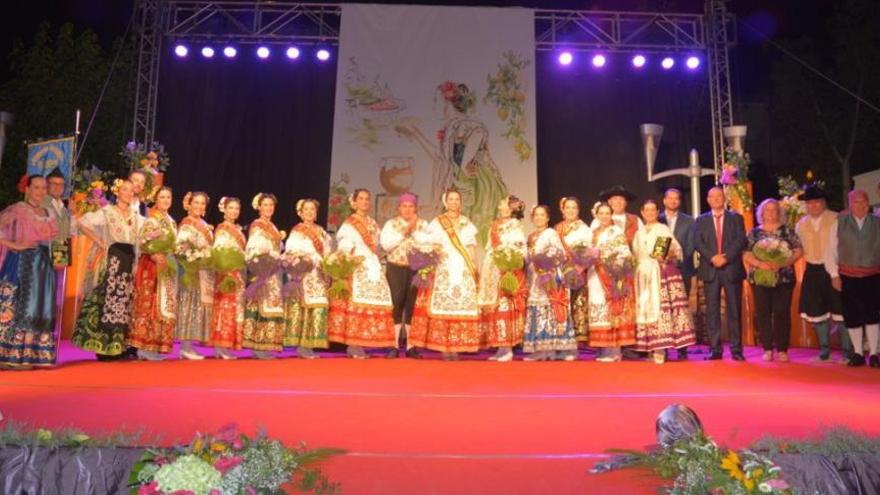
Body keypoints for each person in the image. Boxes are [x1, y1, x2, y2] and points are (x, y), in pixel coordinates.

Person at [395, 81, 508, 244]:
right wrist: (416, 134)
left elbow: (464, 161)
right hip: (460, 182)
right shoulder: (452, 127)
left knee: (474, 232)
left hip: (478, 186)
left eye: (437, 102)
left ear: (448, 103)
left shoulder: (471, 126)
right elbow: (442, 160)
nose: (435, 107)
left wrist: (464, 168)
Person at [72, 179, 143, 360]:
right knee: (107, 301)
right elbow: (82, 224)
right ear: (117, 192)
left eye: (131, 191)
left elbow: (147, 233)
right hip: (112, 259)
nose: (128, 193)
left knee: (122, 303)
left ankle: (117, 346)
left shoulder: (136, 217)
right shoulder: (107, 212)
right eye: (124, 190)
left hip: (128, 260)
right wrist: (99, 241)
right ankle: (103, 347)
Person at [410, 189, 481, 360]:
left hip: (462, 267)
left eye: (457, 199)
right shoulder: (437, 222)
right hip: (444, 266)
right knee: (443, 305)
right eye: (451, 199)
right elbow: (430, 243)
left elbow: (471, 247)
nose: (454, 202)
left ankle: (456, 347)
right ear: (445, 202)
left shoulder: (466, 222)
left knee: (459, 306)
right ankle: (444, 347)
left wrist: (473, 266)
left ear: (460, 202)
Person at [328, 189, 396, 358]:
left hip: (372, 263)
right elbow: (344, 244)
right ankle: (353, 344)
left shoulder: (373, 223)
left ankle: (363, 341)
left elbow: (379, 245)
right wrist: (344, 262)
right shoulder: (349, 223)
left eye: (367, 199)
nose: (365, 202)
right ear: (354, 202)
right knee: (356, 302)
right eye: (361, 199)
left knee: (375, 299)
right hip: (357, 264)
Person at [0, 175, 59, 369]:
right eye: (36, 187)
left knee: (39, 306)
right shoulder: (18, 209)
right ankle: (11, 353)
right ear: (27, 189)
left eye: (44, 188)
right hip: (21, 263)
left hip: (43, 266)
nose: (41, 191)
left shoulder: (49, 212)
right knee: (17, 305)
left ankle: (32, 353)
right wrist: (14, 244)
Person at [633, 200, 696, 364]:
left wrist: (666, 256)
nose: (649, 213)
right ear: (642, 212)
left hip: (659, 272)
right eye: (646, 210)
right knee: (645, 309)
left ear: (657, 212)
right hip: (642, 275)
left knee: (661, 309)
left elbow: (676, 249)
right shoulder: (639, 232)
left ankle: (661, 348)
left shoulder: (663, 229)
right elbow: (635, 254)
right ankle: (649, 347)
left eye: (653, 210)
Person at [825, 189, 880, 368]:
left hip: (873, 276)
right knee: (852, 315)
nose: (861, 205)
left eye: (864, 201)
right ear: (850, 204)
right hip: (848, 277)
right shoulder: (839, 223)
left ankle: (873, 354)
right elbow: (830, 251)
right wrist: (834, 275)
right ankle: (857, 353)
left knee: (873, 315)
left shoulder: (877, 222)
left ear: (868, 203)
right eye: (856, 202)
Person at [743, 199, 803, 362]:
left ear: (779, 212)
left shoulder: (787, 232)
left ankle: (783, 349)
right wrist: (760, 263)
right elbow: (746, 253)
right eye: (767, 210)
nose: (770, 213)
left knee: (781, 313)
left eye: (774, 210)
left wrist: (782, 263)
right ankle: (767, 348)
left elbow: (798, 251)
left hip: (783, 278)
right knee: (763, 313)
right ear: (761, 213)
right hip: (760, 278)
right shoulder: (754, 233)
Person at [796, 185, 850, 362]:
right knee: (816, 311)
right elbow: (797, 249)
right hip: (812, 269)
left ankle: (848, 351)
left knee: (841, 311)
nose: (813, 206)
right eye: (810, 203)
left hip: (835, 269)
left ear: (824, 202)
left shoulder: (837, 218)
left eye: (817, 202)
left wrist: (838, 273)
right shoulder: (800, 224)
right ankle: (824, 351)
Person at [693, 186, 747, 361]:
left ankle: (736, 350)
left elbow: (740, 241)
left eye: (719, 196)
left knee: (734, 310)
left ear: (724, 199)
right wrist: (713, 257)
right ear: (708, 200)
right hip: (710, 269)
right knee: (712, 311)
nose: (716, 199)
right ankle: (715, 349)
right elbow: (698, 243)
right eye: (712, 196)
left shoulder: (736, 218)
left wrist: (726, 257)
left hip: (731, 268)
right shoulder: (700, 220)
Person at [128, 186, 178, 360]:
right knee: (150, 304)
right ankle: (144, 347)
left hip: (167, 265)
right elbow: (143, 240)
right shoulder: (152, 219)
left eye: (168, 197)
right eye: (162, 197)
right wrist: (153, 253)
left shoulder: (171, 221)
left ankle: (156, 346)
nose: (165, 200)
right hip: (152, 265)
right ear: (156, 200)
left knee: (163, 306)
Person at [379, 192, 428, 359]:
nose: (407, 210)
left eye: (411, 206)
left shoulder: (423, 224)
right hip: (396, 267)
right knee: (396, 304)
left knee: (412, 305)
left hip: (416, 269)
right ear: (398, 208)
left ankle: (410, 345)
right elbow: (386, 244)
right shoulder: (391, 224)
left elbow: (427, 244)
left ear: (416, 208)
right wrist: (405, 231)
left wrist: (414, 230)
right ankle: (393, 345)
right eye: (404, 206)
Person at [523, 205, 576, 361]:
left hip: (549, 277)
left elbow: (560, 253)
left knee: (549, 309)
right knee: (537, 309)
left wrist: (546, 262)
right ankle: (539, 349)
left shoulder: (551, 233)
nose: (539, 218)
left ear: (547, 218)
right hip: (534, 277)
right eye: (536, 215)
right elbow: (528, 258)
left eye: (542, 215)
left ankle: (551, 349)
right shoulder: (531, 236)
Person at [478, 195, 527, 362]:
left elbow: (519, 249)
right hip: (492, 268)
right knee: (494, 308)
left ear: (511, 207)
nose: (500, 204)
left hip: (505, 270)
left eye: (503, 202)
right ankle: (499, 347)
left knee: (504, 306)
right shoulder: (494, 225)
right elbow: (489, 247)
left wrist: (507, 264)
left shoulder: (515, 227)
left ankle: (508, 348)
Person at [284, 199, 333, 359]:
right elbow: (292, 250)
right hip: (305, 274)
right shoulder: (297, 231)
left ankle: (310, 344)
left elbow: (327, 250)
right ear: (301, 212)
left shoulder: (321, 231)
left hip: (319, 275)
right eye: (307, 209)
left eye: (313, 209)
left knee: (318, 307)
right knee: (305, 307)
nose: (310, 212)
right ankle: (302, 345)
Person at [588, 202, 636, 362]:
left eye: (606, 213)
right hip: (595, 276)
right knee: (599, 308)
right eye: (600, 213)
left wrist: (612, 267)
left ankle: (615, 350)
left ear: (611, 215)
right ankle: (604, 348)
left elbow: (624, 253)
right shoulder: (592, 232)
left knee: (612, 309)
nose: (603, 216)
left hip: (611, 275)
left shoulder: (615, 232)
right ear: (596, 215)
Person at [243, 193, 285, 359]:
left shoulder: (272, 226)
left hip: (273, 271)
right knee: (262, 304)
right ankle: (258, 346)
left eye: (271, 205)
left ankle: (265, 345)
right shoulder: (257, 225)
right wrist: (264, 261)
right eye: (265, 205)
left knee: (271, 305)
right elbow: (254, 248)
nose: (269, 208)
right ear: (259, 207)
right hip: (263, 271)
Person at [175, 192, 214, 360]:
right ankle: (184, 347)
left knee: (197, 307)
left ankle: (189, 345)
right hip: (189, 270)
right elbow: (180, 247)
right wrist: (193, 256)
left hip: (203, 271)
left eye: (202, 203)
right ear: (189, 205)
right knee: (188, 305)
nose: (199, 206)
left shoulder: (204, 224)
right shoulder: (186, 224)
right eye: (196, 203)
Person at [209, 197, 246, 359]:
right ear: (224, 209)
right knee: (225, 307)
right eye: (231, 208)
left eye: (237, 208)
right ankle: (220, 345)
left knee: (233, 308)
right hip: (225, 272)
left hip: (236, 272)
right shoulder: (223, 229)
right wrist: (228, 266)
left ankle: (226, 345)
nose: (234, 211)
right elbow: (219, 250)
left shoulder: (237, 229)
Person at [659, 188, 695, 360]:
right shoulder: (655, 219)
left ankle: (682, 348)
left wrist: (676, 262)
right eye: (670, 198)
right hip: (660, 272)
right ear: (664, 200)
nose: (673, 201)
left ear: (679, 201)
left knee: (681, 310)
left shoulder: (689, 221)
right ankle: (663, 346)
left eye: (676, 198)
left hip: (682, 270)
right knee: (663, 309)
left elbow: (689, 246)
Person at [555, 196, 593, 355]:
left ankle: (574, 346)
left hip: (577, 272)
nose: (570, 210)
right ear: (563, 210)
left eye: (574, 208)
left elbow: (588, 251)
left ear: (578, 210)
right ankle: (562, 342)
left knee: (577, 306)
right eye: (567, 207)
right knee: (561, 306)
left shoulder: (584, 229)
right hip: (558, 272)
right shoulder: (557, 228)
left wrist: (578, 268)